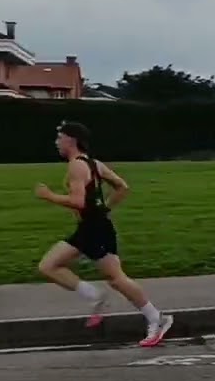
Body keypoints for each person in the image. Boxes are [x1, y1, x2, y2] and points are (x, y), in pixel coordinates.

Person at [35, 122, 173, 347]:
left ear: (71, 140)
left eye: (59, 138)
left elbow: (78, 201)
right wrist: (105, 208)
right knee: (48, 266)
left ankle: (157, 318)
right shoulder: (94, 163)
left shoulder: (76, 167)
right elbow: (122, 186)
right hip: (90, 227)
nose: (56, 142)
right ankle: (96, 297)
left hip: (96, 229)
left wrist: (49, 196)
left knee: (117, 279)